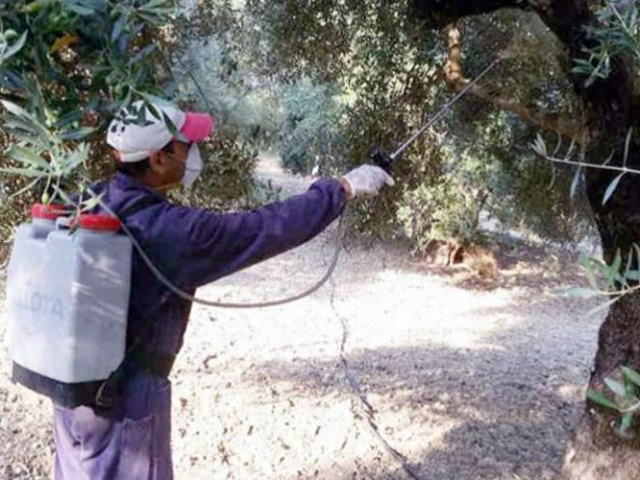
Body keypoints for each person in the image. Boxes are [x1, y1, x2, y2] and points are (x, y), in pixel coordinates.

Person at [52, 101, 394, 480]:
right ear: (158, 158)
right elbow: (264, 228)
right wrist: (342, 188)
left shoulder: (90, 200)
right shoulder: (170, 231)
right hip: (127, 401)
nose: (194, 154)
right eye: (186, 146)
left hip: (71, 392)